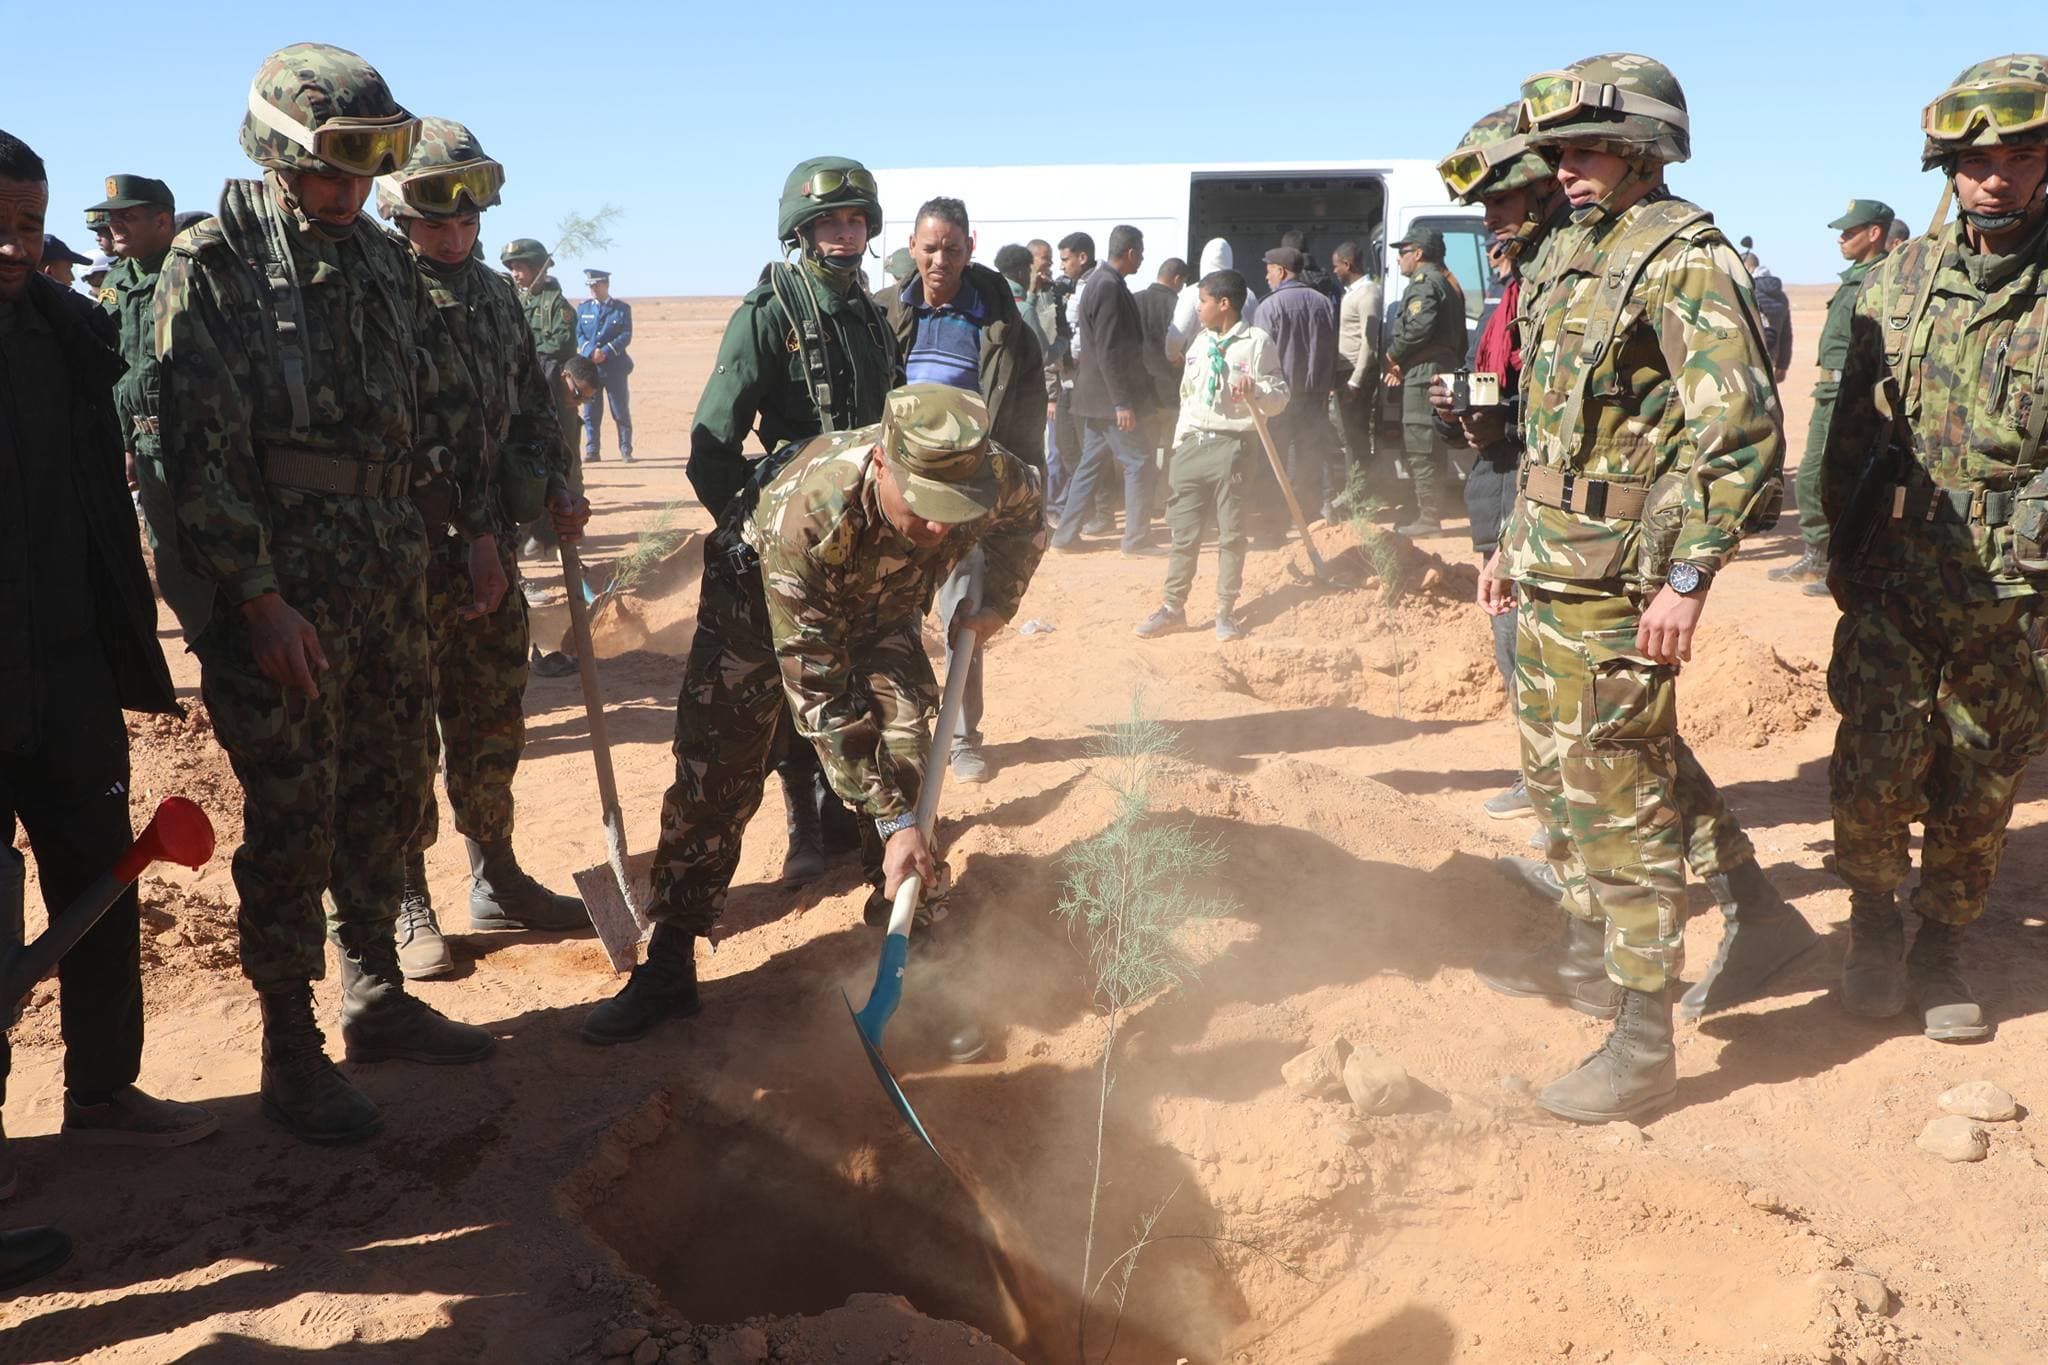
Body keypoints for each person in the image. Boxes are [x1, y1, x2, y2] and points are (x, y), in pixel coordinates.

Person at [154, 43, 504, 1145]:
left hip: (393, 577)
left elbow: (424, 419)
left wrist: (469, 536)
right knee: (295, 816)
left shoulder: (382, 263)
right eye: (332, 166)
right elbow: (194, 459)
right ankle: (289, 1044)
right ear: (278, 149)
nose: (351, 190)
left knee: (388, 794)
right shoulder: (212, 264)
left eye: (369, 166)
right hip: (286, 595)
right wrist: (258, 601)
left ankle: (376, 994)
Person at [1476, 53, 1803, 1122]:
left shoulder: (1684, 258)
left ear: (1644, 148)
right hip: (1550, 566)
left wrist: (1689, 577)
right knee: (1569, 785)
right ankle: (1618, 960)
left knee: (1619, 802)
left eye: (1585, 150)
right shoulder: (1576, 251)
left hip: (1622, 584)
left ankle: (1641, 1041)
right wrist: (1510, 542)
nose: (1563, 169)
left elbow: (1739, 437)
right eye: (1558, 152)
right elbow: (1553, 431)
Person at [582, 384, 1045, 1061]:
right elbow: (820, 696)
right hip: (756, 605)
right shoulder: (809, 518)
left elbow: (1028, 518)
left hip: (881, 608)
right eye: (926, 508)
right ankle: (671, 960)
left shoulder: (991, 473)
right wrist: (891, 820)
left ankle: (912, 956)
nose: (941, 530)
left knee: (908, 755)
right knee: (718, 772)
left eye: (956, 510)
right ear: (883, 465)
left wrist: (999, 600)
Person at [0, 128, 216, 1292]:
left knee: (102, 876)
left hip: (70, 663)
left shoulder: (69, 334)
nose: (13, 245)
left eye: (29, 225)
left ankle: (103, 1087)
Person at [1821, 54, 2048, 1043]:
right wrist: (1837, 552)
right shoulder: (1891, 284)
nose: (1995, 179)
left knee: (1980, 776)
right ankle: (1872, 922)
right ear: (1944, 166)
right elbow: (1846, 437)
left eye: (2021, 158)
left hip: (2014, 594)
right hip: (1895, 577)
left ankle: (1939, 945)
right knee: (1874, 762)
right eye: (1975, 161)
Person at [377, 118, 593, 980]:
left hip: (490, 554)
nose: (455, 236)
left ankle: (495, 876)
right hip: (407, 557)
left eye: (469, 220)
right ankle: (404, 897)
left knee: (491, 718)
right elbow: (390, 432)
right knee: (404, 736)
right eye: (437, 221)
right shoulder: (382, 293)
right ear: (400, 212)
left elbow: (530, 410)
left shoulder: (498, 296)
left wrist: (554, 485)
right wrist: (465, 532)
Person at [688, 155, 896, 887]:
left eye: (856, 220)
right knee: (788, 688)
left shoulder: (873, 318)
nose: (845, 233)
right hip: (792, 544)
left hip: (865, 541)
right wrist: (756, 534)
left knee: (862, 680)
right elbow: (712, 447)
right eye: (828, 221)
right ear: (800, 231)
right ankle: (802, 818)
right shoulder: (769, 314)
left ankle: (855, 820)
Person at [882, 198, 1046, 786]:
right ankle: (896, 742)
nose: (940, 260)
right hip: (896, 496)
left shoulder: (1004, 328)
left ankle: (961, 739)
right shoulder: (883, 315)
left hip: (967, 496)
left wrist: (1019, 492)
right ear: (912, 247)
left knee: (965, 619)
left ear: (970, 248)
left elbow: (1026, 425)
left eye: (952, 249)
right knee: (889, 623)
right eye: (929, 248)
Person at [1134, 268, 1288, 644]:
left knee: (1231, 533)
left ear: (1224, 304)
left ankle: (1225, 610)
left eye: (1202, 301)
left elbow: (1281, 398)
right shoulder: (1199, 344)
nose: (1197, 308)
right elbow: (1187, 397)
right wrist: (1180, 446)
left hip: (1233, 447)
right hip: (1192, 447)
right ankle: (1173, 608)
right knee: (1183, 534)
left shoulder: (1256, 343)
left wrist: (1257, 389)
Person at [91, 173, 212, 643]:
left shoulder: (196, 272)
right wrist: (125, 442)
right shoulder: (117, 281)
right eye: (112, 217)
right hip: (146, 447)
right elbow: (116, 371)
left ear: (163, 221)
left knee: (225, 555)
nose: (114, 226)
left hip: (203, 445)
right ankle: (209, 650)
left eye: (128, 216)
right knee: (173, 566)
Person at [1771, 199, 1893, 592]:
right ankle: (1818, 555)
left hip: (1852, 394)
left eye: (1849, 232)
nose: (1841, 238)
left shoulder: (1881, 278)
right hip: (1828, 390)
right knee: (1813, 475)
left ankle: (1839, 563)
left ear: (1874, 233)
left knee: (1837, 477)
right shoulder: (1854, 277)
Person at [1051, 224, 1156, 553]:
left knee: (1089, 466)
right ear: (1131, 253)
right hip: (1109, 400)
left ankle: (1064, 537)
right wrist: (1122, 403)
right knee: (1140, 462)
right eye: (1141, 253)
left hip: (1096, 398)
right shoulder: (1108, 286)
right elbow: (1109, 350)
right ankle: (1136, 540)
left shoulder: (1102, 281)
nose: (1142, 259)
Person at [1385, 224, 1467, 537]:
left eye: (1403, 252)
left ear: (1418, 253)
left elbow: (1418, 328)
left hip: (1424, 373)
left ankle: (1429, 520)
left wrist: (1393, 355)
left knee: (1421, 445)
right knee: (1432, 445)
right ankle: (1429, 514)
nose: (1399, 259)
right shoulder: (1445, 282)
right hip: (1439, 368)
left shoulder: (1424, 283)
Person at [1253, 245, 1339, 538]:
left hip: (1279, 398)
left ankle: (1274, 526)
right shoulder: (1323, 302)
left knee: (1273, 460)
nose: (1266, 277)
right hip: (1314, 396)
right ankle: (1310, 520)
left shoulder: (1268, 307)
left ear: (1281, 271)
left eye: (1269, 271)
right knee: (1310, 458)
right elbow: (1331, 350)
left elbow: (1260, 357)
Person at [1330, 240, 1383, 492]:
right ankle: (1355, 491)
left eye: (1336, 266)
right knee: (1349, 436)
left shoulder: (1367, 294)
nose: (1334, 270)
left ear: (1348, 264)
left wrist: (1355, 381)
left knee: (1355, 436)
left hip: (1354, 374)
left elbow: (1369, 342)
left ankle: (1358, 494)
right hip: (1346, 372)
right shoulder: (1353, 292)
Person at [575, 267, 634, 463]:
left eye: (596, 285)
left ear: (606, 284)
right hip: (591, 370)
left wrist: (606, 351)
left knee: (620, 410)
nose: (593, 288)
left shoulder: (621, 308)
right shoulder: (583, 308)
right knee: (590, 412)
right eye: (590, 285)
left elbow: (626, 335)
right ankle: (592, 450)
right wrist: (590, 351)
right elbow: (579, 334)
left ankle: (625, 449)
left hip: (615, 368)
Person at [1133, 257, 1185, 472]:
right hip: (1170, 390)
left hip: (1141, 391)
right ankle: (1166, 490)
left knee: (1145, 450)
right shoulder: (1179, 306)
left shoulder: (1134, 300)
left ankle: (1145, 490)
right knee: (1173, 449)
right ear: (1177, 279)